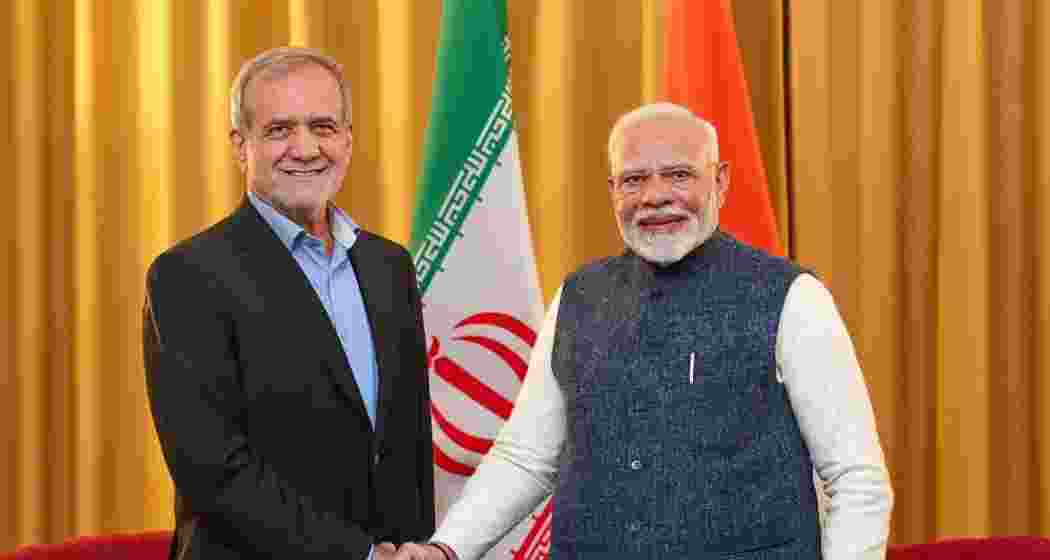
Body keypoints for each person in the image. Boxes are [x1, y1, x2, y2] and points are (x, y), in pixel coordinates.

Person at [396, 103, 893, 560]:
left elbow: (858, 480)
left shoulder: (793, 296)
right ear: (612, 189)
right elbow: (526, 458)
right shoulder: (577, 297)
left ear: (720, 182)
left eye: (678, 175)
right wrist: (447, 550)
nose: (655, 197)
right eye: (634, 179)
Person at [143, 47, 434, 559]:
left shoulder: (390, 267)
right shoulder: (187, 276)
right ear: (241, 146)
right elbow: (214, 469)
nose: (305, 148)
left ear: (347, 138)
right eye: (280, 130)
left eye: (323, 126)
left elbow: (405, 451)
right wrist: (359, 556)